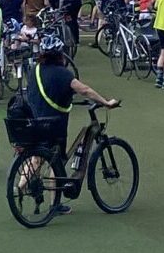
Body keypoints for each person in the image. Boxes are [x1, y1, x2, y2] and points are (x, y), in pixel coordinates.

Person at [16, 33, 119, 215]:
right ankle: (55, 204)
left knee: (38, 157)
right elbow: (85, 90)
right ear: (60, 55)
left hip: (34, 122)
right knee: (56, 160)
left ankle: (19, 186)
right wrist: (105, 102)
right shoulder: (63, 74)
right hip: (54, 125)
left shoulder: (35, 70)